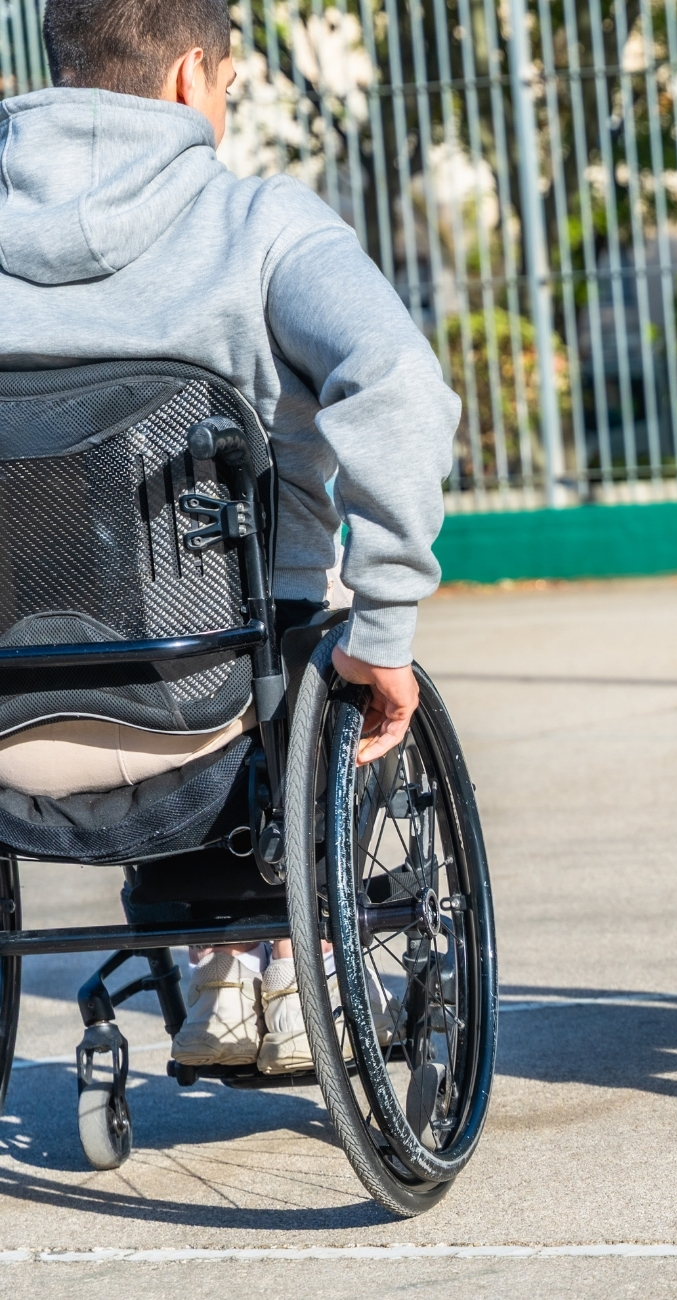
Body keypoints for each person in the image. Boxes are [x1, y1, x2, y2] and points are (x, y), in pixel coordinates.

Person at [0, 0, 458, 1072]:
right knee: (330, 651)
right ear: (186, 77)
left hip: (11, 713)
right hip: (231, 702)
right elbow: (396, 383)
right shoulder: (260, 227)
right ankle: (287, 966)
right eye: (228, 86)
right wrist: (385, 625)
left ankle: (225, 977)